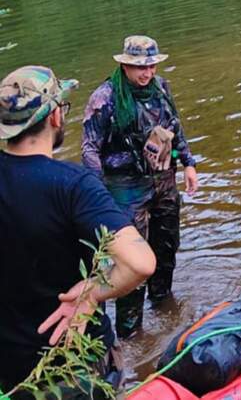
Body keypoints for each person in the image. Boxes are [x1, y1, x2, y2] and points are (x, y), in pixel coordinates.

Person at [0, 66, 156, 393]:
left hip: (10, 369)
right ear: (55, 115)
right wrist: (91, 293)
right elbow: (141, 263)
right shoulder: (73, 185)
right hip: (76, 364)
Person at [82, 35, 199, 338]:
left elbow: (175, 127)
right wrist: (96, 192)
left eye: (151, 66)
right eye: (139, 68)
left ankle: (163, 306)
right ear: (124, 65)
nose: (146, 73)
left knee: (167, 246)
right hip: (125, 188)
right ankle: (129, 332)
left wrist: (189, 163)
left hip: (163, 181)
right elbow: (89, 149)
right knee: (131, 264)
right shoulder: (105, 98)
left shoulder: (161, 88)